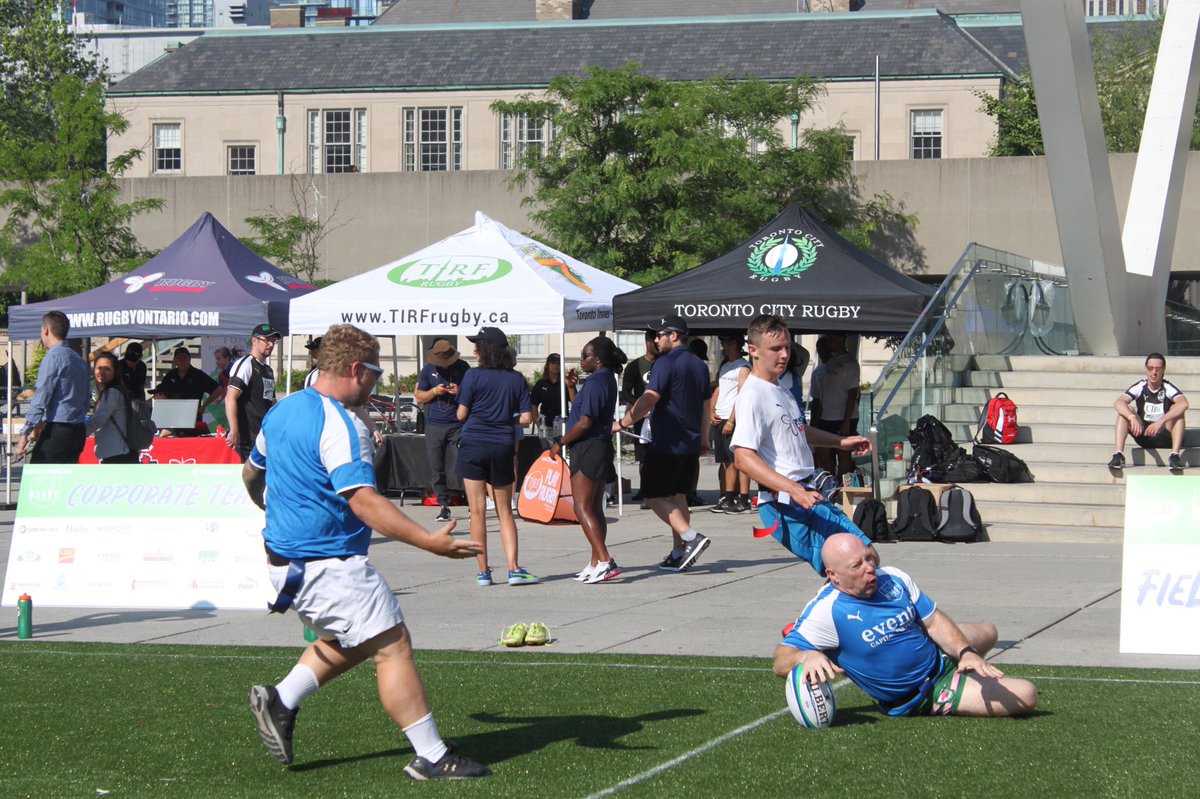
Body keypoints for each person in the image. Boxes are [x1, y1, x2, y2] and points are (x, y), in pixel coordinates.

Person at [241, 324, 490, 779]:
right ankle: (432, 755)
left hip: (286, 563)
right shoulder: (341, 422)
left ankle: (281, 699)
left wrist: (272, 506)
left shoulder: (282, 410)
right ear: (356, 370)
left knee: (353, 637)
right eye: (374, 372)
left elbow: (251, 475)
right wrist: (428, 541)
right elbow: (365, 502)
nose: (376, 381)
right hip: (327, 566)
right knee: (392, 645)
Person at [773, 533, 1038, 719]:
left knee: (988, 631)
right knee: (1027, 694)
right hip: (921, 693)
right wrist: (807, 655)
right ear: (833, 575)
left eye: (869, 558)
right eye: (857, 565)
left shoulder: (894, 577)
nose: (870, 568)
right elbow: (780, 662)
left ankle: (963, 665)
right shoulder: (825, 612)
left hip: (935, 658)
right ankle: (952, 693)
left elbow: (933, 621)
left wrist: (966, 652)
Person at [731, 314, 877, 575]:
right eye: (775, 349)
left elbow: (797, 428)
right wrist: (794, 490)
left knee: (866, 555)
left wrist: (841, 442)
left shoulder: (779, 388)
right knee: (851, 569)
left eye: (786, 346)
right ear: (753, 350)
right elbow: (743, 457)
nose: (784, 354)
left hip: (809, 493)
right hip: (784, 505)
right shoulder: (752, 395)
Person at [612, 314, 712, 573]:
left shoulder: (665, 363)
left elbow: (649, 398)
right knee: (679, 497)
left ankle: (691, 538)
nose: (656, 340)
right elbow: (705, 405)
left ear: (674, 335)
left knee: (653, 496)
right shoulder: (700, 365)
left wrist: (623, 422)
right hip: (689, 442)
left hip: (668, 442)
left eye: (660, 334)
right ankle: (680, 552)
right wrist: (704, 436)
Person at [455, 326, 538, 587]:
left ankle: (483, 572)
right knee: (505, 511)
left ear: (485, 349)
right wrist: (506, 417)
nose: (475, 349)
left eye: (478, 345)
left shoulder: (472, 376)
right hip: (502, 444)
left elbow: (460, 414)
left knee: (477, 511)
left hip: (473, 443)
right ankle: (513, 569)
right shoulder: (516, 379)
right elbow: (526, 418)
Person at [550, 337, 627, 584]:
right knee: (594, 508)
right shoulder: (605, 380)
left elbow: (584, 422)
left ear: (598, 359)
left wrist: (560, 442)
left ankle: (605, 560)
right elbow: (583, 412)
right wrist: (572, 388)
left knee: (581, 507)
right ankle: (596, 561)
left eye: (585, 356)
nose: (581, 360)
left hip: (588, 448)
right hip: (599, 446)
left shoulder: (596, 382)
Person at [16, 310, 90, 464]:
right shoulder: (78, 360)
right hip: (77, 429)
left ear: (46, 330)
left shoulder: (53, 358)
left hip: (58, 429)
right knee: (66, 479)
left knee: (40, 477)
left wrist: (25, 432)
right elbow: (86, 397)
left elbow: (42, 396)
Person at [415, 338, 470, 522]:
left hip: (458, 423)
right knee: (436, 467)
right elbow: (419, 396)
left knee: (463, 464)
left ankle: (472, 502)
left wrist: (459, 391)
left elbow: (474, 393)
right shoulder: (428, 370)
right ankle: (443, 505)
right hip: (435, 424)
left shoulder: (463, 367)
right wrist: (434, 392)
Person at [1109, 352, 1188, 472]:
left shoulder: (1168, 387)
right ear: (1146, 369)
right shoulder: (1140, 386)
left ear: (1163, 370)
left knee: (1178, 412)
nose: (1154, 372)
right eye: (1150, 368)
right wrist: (1132, 417)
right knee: (1124, 412)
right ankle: (1119, 454)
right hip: (1144, 433)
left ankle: (1174, 456)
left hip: (1165, 435)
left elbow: (1184, 403)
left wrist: (1161, 421)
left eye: (1158, 368)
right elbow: (1119, 402)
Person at [305, 335, 383, 450]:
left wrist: (372, 428)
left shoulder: (282, 410)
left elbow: (355, 406)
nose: (312, 353)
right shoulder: (346, 432)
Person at [710, 334, 752, 514]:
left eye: (725, 343)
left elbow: (742, 395)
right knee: (727, 461)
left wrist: (732, 420)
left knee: (738, 460)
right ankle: (728, 497)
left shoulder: (743, 367)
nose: (723, 347)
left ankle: (744, 498)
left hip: (733, 419)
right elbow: (719, 390)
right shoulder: (725, 366)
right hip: (720, 418)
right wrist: (712, 411)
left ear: (734, 343)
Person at [225, 324, 280, 461]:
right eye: (267, 340)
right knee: (250, 480)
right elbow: (230, 398)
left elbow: (271, 403)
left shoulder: (268, 370)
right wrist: (234, 430)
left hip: (265, 438)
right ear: (254, 341)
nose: (271, 344)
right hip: (247, 439)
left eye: (273, 341)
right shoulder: (245, 364)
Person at [814, 332, 861, 478]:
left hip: (843, 416)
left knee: (843, 453)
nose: (829, 342)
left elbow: (853, 393)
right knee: (823, 451)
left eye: (832, 338)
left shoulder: (850, 363)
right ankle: (830, 483)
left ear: (841, 339)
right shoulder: (832, 361)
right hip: (827, 416)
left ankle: (842, 487)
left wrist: (846, 420)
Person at [620, 330, 657, 504]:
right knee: (643, 456)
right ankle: (645, 489)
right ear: (647, 342)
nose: (656, 343)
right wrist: (640, 405)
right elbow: (625, 392)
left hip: (662, 417)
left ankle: (660, 489)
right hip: (641, 417)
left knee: (662, 454)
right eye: (653, 340)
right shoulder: (635, 366)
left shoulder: (664, 363)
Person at [153, 347, 224, 432]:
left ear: (189, 359)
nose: (182, 360)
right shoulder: (170, 375)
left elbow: (219, 389)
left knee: (192, 442)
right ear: (175, 360)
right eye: (179, 358)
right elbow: (162, 393)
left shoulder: (198, 375)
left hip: (193, 418)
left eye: (185, 358)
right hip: (173, 417)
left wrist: (204, 406)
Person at [86, 351, 138, 464]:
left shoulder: (112, 392)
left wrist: (75, 433)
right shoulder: (111, 391)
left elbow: (97, 421)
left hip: (118, 453)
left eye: (107, 369)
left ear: (115, 372)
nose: (101, 372)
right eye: (98, 368)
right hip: (118, 451)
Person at [530, 353, 576, 436]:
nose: (556, 365)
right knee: (546, 449)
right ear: (547, 365)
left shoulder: (566, 383)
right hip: (545, 425)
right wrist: (537, 422)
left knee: (561, 448)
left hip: (563, 424)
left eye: (558, 363)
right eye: (553, 363)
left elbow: (575, 402)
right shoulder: (540, 384)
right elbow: (533, 404)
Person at [206, 346, 234, 431]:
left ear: (227, 358)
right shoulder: (221, 375)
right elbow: (224, 390)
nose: (217, 361)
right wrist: (219, 399)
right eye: (216, 359)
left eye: (218, 359)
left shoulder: (235, 370)